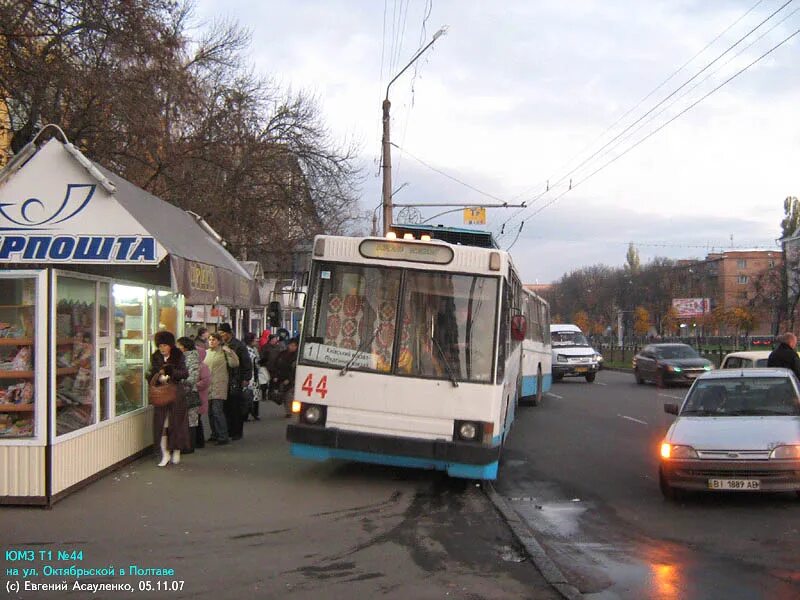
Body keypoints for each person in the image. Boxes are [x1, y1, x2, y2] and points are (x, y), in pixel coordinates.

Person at [148, 331, 190, 466]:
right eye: (160, 345)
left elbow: (185, 373)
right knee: (161, 425)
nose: (162, 348)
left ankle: (176, 450)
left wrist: (170, 373)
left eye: (165, 345)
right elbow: (150, 373)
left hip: (176, 394)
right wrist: (157, 377)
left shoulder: (179, 356)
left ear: (170, 345)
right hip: (161, 395)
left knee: (176, 424)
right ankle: (165, 453)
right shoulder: (155, 357)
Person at [203, 332, 238, 445]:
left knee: (217, 411)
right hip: (207, 385)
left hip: (219, 384)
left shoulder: (223, 352)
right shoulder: (206, 353)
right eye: (210, 340)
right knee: (210, 412)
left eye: (214, 340)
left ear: (219, 341)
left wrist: (229, 352)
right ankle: (215, 434)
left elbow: (234, 364)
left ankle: (223, 436)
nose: (211, 342)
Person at [219, 323, 252, 439]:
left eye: (223, 333)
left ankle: (237, 431)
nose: (221, 335)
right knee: (226, 407)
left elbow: (246, 362)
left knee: (236, 407)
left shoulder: (238, 345)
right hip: (224, 379)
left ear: (228, 333)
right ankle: (228, 430)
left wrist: (246, 378)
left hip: (236, 379)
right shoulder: (221, 345)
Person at [176, 337, 209, 452]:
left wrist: (179, 380)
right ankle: (189, 445)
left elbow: (192, 377)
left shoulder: (190, 358)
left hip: (189, 392)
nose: (177, 347)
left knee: (190, 420)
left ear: (184, 347)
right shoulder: (191, 357)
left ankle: (189, 446)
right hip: (189, 392)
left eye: (179, 345)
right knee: (191, 420)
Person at [274, 337, 299, 417]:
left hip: (291, 379)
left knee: (289, 395)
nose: (292, 347)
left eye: (294, 346)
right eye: (291, 345)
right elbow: (276, 365)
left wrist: (290, 379)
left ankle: (289, 412)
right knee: (284, 395)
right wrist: (276, 376)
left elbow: (295, 370)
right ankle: (288, 409)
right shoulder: (282, 354)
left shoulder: (296, 356)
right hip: (281, 377)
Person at [260, 334, 283, 405]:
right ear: (270, 340)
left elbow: (280, 355)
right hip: (267, 367)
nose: (275, 340)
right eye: (273, 339)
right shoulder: (265, 347)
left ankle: (270, 395)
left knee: (273, 381)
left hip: (275, 367)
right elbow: (262, 356)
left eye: (275, 339)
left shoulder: (278, 347)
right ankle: (264, 395)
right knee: (264, 382)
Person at [243, 332, 261, 421]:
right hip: (250, 375)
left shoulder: (254, 349)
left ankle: (254, 413)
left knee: (254, 395)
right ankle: (247, 413)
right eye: (255, 338)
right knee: (249, 396)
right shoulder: (247, 350)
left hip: (254, 375)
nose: (256, 340)